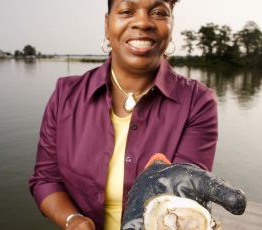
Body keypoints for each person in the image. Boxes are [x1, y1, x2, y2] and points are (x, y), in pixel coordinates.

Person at [29, 0, 226, 229]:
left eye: (159, 12)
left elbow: (180, 196)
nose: (142, 22)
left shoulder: (198, 103)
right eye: (126, 11)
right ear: (107, 24)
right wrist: (73, 221)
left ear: (171, 24)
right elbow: (46, 180)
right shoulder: (65, 95)